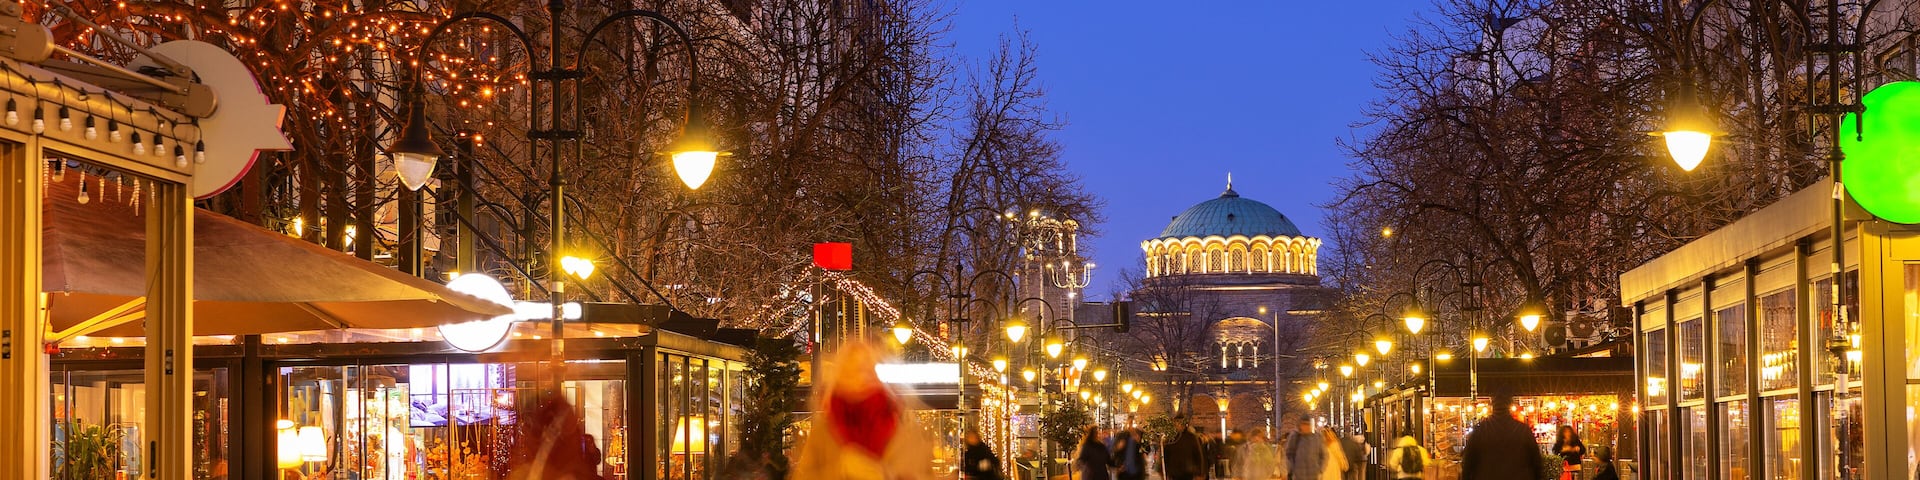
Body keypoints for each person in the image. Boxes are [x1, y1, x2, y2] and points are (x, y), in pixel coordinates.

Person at [1460, 395, 1543, 480]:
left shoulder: (1480, 430)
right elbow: (1536, 463)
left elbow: (1468, 464)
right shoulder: (1523, 430)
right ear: (1509, 404)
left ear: (1493, 404)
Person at [1164, 415, 1209, 480]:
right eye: (1176, 422)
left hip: (1188, 471)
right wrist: (1165, 470)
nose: (1178, 425)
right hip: (1174, 471)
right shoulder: (1171, 438)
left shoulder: (1191, 437)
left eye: (1180, 422)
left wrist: (1200, 472)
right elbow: (1166, 455)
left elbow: (1198, 455)